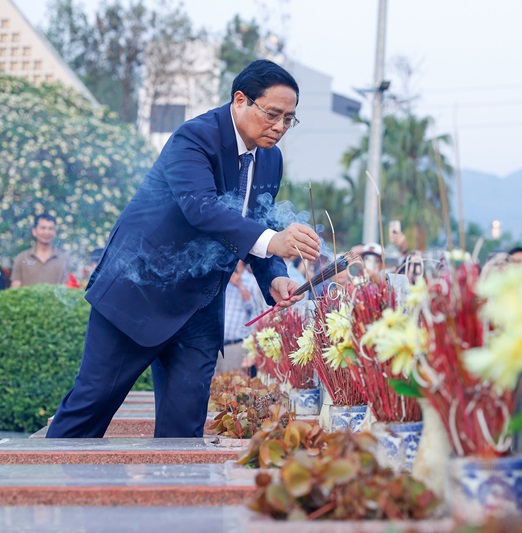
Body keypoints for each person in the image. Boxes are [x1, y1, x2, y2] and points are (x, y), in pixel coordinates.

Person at [46, 59, 321, 439]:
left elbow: (258, 219)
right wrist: (272, 240)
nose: (280, 127)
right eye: (273, 114)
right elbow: (201, 208)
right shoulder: (194, 137)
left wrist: (274, 276)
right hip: (138, 294)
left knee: (184, 430)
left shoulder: (270, 158)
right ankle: (45, 494)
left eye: (289, 119)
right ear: (240, 100)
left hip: (200, 307)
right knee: (88, 408)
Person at [218, 260, 263, 375]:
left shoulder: (251, 281)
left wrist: (240, 286)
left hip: (237, 346)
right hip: (217, 345)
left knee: (237, 385)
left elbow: (256, 309)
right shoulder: (221, 276)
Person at [10, 213, 70, 288]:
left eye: (50, 228)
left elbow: (67, 289)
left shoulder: (64, 260)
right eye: (43, 228)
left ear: (55, 232)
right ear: (34, 231)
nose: (47, 232)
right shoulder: (22, 258)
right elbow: (15, 290)